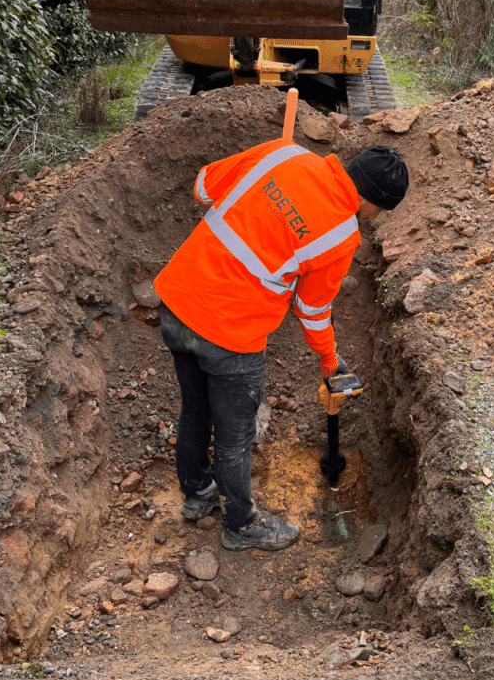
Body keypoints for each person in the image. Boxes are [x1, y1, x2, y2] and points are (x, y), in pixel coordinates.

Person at [154, 139, 409, 552]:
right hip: (232, 335)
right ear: (373, 203)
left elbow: (203, 187)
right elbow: (311, 309)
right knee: (235, 438)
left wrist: (267, 209)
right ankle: (241, 525)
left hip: (179, 300)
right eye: (380, 211)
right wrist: (329, 359)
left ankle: (198, 492)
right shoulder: (342, 235)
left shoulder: (284, 152)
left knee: (195, 408)